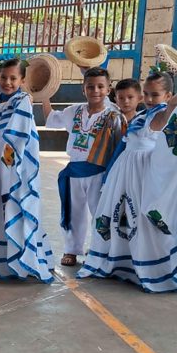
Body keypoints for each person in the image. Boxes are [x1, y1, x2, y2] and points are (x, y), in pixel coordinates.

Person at [78, 71, 177, 293]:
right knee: (119, 217)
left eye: (155, 95)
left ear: (168, 95)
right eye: (147, 94)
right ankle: (124, 261)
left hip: (144, 176)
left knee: (143, 219)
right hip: (123, 174)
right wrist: (110, 174)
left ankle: (152, 265)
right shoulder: (142, 116)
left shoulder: (165, 114)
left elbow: (171, 106)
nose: (150, 99)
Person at [0, 58, 53, 282]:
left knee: (9, 203)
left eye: (13, 78)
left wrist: (10, 166)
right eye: (3, 77)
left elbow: (20, 134)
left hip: (7, 160)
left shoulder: (23, 99)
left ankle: (13, 257)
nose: (7, 82)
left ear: (22, 80)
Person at [42, 68, 126, 267]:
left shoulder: (114, 114)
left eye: (100, 86)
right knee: (74, 212)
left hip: (99, 171)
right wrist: (43, 96)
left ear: (108, 89)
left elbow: (120, 144)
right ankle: (71, 249)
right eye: (90, 86)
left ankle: (99, 250)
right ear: (83, 89)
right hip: (74, 171)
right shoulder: (74, 111)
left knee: (100, 212)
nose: (95, 90)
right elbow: (51, 118)